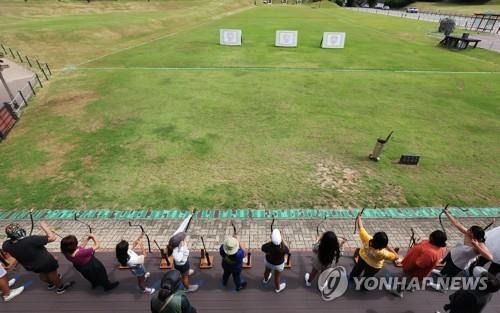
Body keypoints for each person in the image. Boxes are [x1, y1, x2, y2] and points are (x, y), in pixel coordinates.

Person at [429, 208, 492, 290]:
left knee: (450, 276)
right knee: (446, 266)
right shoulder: (468, 234)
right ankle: (441, 273)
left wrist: (476, 246)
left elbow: (489, 257)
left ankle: (442, 287)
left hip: (459, 264)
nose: (467, 230)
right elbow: (457, 224)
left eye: (470, 230)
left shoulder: (479, 245)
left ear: (473, 234)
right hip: (452, 254)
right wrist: (447, 213)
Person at [2, 222, 73, 294]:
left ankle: (51, 284)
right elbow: (52, 238)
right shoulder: (31, 240)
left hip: (32, 266)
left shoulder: (6, 245)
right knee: (53, 275)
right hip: (46, 262)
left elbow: (7, 252)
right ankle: (60, 287)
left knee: (43, 277)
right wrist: (44, 227)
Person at [389, 230, 447, 297]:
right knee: (411, 281)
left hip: (413, 272)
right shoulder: (438, 246)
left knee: (404, 281)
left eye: (431, 235)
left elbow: (418, 265)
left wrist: (408, 270)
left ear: (432, 238)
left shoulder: (430, 253)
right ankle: (410, 287)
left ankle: (398, 292)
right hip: (418, 272)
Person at [349, 215, 399, 287]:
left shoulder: (367, 239)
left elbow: (361, 227)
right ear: (383, 245)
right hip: (373, 266)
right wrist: (389, 247)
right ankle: (364, 286)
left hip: (362, 258)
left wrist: (359, 218)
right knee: (368, 276)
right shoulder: (384, 253)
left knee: (357, 269)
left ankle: (352, 277)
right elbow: (396, 257)